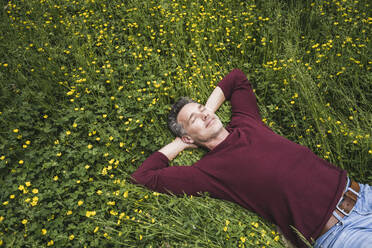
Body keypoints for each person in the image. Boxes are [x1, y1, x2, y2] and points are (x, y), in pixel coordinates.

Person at [131, 69, 372, 247]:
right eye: (193, 119)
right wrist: (179, 144)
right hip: (341, 235)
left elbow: (236, 78)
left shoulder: (246, 121)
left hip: (363, 195)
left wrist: (206, 111)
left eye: (202, 109)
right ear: (188, 137)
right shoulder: (206, 173)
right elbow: (143, 176)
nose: (204, 115)